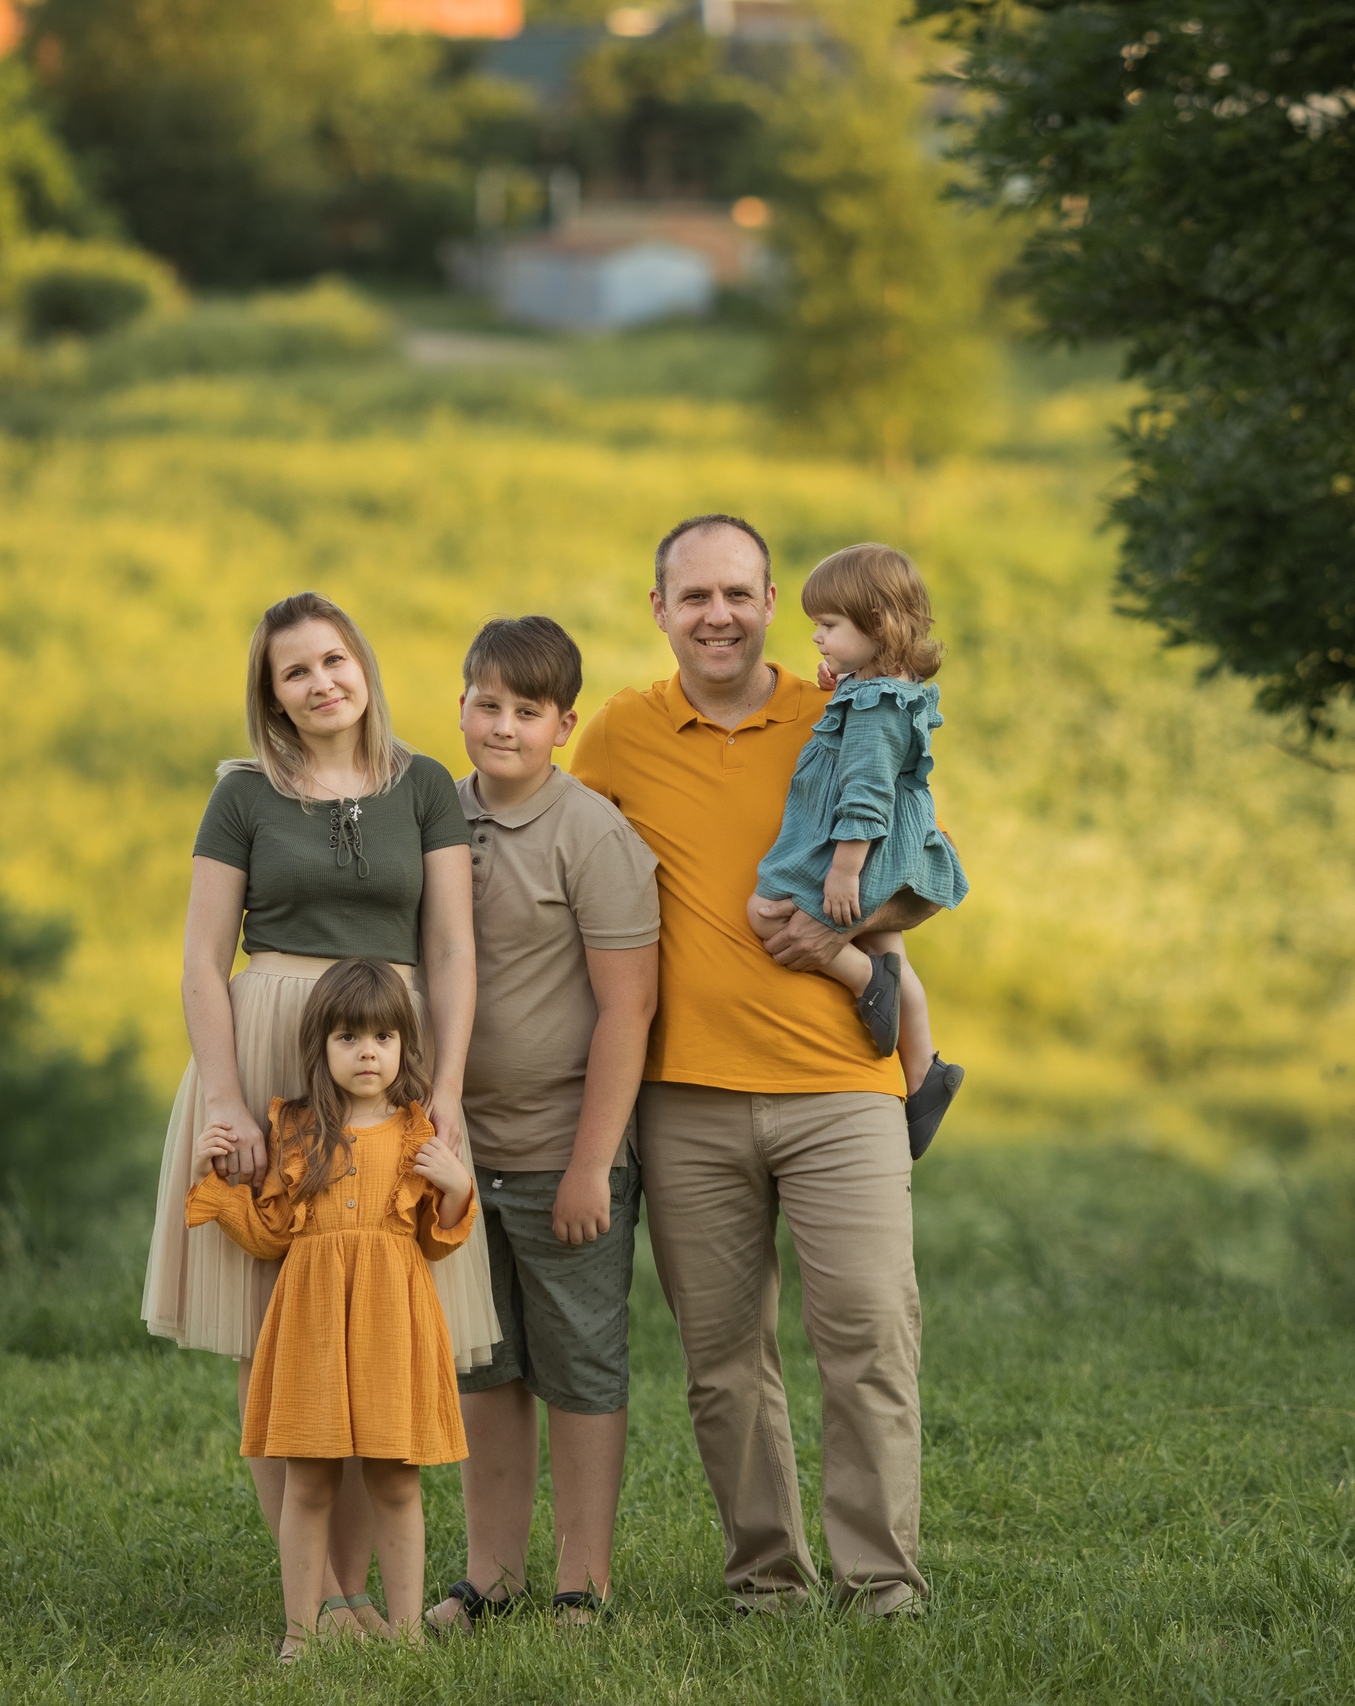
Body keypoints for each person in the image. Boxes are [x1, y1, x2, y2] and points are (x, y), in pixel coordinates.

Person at [569, 513, 936, 1618]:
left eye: (738, 593)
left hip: (840, 1087)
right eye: (694, 597)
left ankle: (882, 1583)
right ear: (660, 609)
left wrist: (840, 951)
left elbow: (917, 868)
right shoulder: (620, 736)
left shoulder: (843, 705)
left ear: (772, 601)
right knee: (723, 1360)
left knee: (868, 1330)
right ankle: (766, 1579)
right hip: (685, 1097)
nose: (717, 615)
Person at [137, 590, 497, 1639]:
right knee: (277, 1331)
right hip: (269, 1040)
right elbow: (203, 959)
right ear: (273, 696)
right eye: (294, 671)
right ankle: (328, 1598)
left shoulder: (424, 784)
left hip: (392, 1042)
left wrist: (451, 1097)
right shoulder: (241, 795)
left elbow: (453, 951)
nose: (320, 681)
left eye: (333, 659)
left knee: (382, 1322)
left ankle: (364, 1583)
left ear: (364, 666)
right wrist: (226, 1098)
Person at [423, 617, 660, 1632]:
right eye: (487, 702)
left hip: (565, 1153)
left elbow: (627, 1008)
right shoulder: (433, 817)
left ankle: (583, 1582)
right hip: (458, 1157)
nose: (503, 725)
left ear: (565, 723)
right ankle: (493, 1572)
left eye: (528, 711)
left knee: (579, 1369)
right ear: (462, 703)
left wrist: (589, 1166)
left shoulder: (592, 834)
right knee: (485, 1366)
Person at [187, 959, 478, 1657]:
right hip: (312, 1325)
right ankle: (301, 1636)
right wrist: (215, 1179)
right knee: (308, 1479)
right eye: (348, 1037)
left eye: (383, 1037)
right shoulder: (294, 1128)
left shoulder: (418, 1135)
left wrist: (460, 1187)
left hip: (392, 1327)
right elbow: (269, 1234)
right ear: (321, 1047)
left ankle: (407, 1637)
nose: (368, 1051)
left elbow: (438, 1242)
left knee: (396, 1480)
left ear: (405, 1046)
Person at [746, 543, 967, 1155]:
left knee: (764, 912)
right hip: (894, 839)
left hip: (863, 845)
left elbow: (866, 792)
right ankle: (924, 1073)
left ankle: (866, 982)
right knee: (889, 944)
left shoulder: (873, 711)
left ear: (876, 626)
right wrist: (842, 678)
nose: (815, 637)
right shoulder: (888, 685)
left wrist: (844, 871)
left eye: (828, 626)